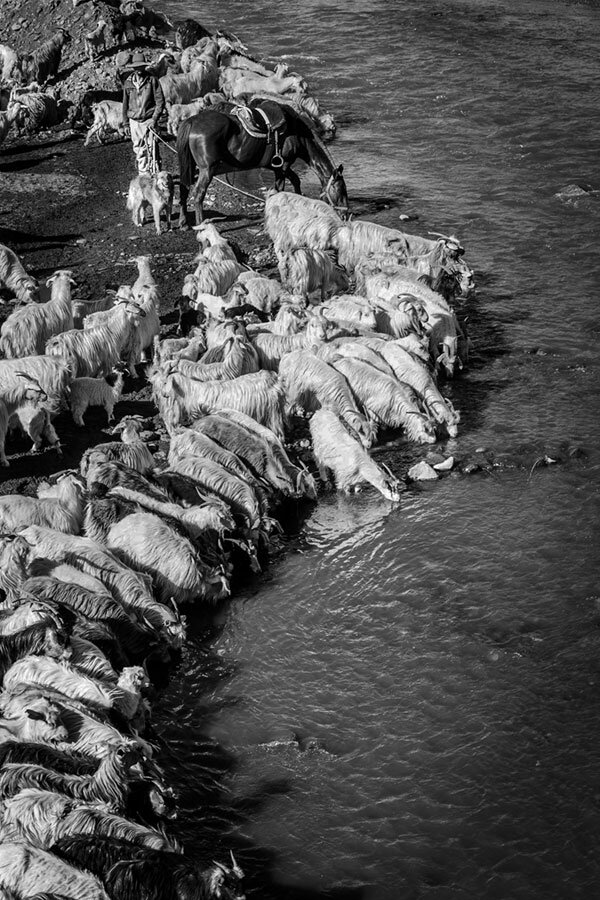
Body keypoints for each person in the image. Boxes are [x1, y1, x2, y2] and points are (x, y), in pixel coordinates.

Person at [121, 50, 165, 175]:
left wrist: (154, 119)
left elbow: (160, 101)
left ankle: (155, 176)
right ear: (133, 68)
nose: (139, 69)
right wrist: (125, 124)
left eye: (141, 66)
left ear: (144, 66)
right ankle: (144, 178)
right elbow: (125, 104)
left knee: (152, 150)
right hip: (134, 122)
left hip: (149, 120)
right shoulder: (128, 83)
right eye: (136, 67)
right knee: (139, 150)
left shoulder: (152, 80)